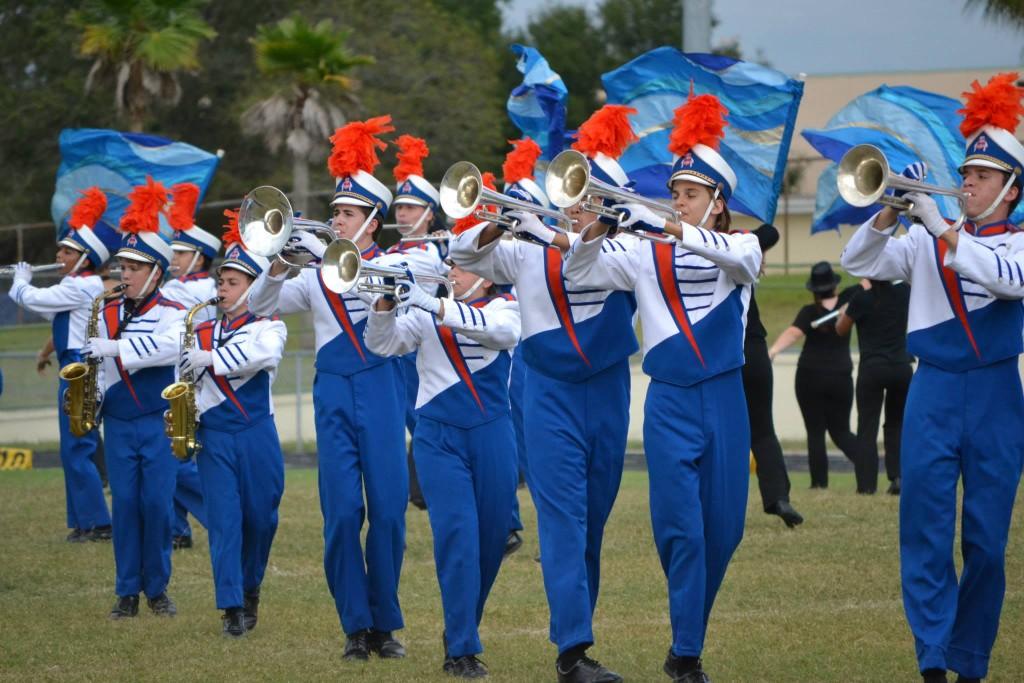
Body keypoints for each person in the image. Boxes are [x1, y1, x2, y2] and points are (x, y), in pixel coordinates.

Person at [562, 93, 761, 683]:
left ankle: (687, 639)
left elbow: (741, 261)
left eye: (691, 194)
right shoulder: (642, 253)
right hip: (669, 402)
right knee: (681, 530)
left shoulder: (740, 245)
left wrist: (674, 227)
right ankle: (687, 653)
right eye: (675, 193)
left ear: (718, 203)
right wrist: (599, 227)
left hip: (726, 400)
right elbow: (578, 270)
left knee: (724, 531)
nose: (678, 201)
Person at [840, 72, 1024, 683]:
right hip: (935, 389)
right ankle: (935, 659)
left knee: (987, 541)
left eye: (982, 178)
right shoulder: (923, 239)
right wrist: (893, 212)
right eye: (966, 175)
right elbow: (858, 262)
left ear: (1011, 189)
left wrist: (941, 225)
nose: (968, 185)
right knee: (924, 525)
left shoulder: (1017, 241)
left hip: (997, 392)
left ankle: (970, 656)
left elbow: (1002, 278)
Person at [449, 105, 641, 683]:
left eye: (589, 197)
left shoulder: (626, 251)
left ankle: (575, 635)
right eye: (574, 194)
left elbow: (586, 265)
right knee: (562, 519)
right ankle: (573, 651)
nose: (577, 205)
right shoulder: (524, 247)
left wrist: (568, 231)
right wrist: (500, 222)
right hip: (549, 393)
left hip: (607, 389)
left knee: (594, 520)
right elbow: (462, 256)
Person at [247, 116, 409, 661]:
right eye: (336, 212)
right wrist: (277, 263)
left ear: (372, 221)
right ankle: (356, 626)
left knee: (387, 510)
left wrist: (338, 261)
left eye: (347, 213)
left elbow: (383, 301)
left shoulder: (396, 264)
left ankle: (386, 624)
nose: (336, 220)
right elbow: (259, 307)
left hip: (382, 388)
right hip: (334, 392)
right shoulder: (313, 274)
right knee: (341, 512)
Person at [365, 259, 520, 678]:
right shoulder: (426, 311)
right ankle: (462, 647)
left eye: (464, 267)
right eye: (451, 263)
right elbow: (383, 345)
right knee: (458, 538)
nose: (452, 271)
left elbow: (499, 333)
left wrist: (431, 305)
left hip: (493, 434)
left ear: (486, 276)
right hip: (437, 436)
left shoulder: (506, 305)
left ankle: (460, 629)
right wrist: (382, 304)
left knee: (490, 542)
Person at [82, 177, 187, 619]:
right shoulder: (104, 310)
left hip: (158, 419)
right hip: (120, 420)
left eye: (132, 268)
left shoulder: (173, 312)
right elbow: (98, 365)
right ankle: (127, 591)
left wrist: (117, 348)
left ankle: (157, 588)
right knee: (124, 505)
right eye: (121, 267)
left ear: (155, 272)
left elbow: (170, 347)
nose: (122, 274)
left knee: (157, 505)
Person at [180, 216, 286, 638]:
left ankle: (250, 588)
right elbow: (183, 376)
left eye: (233, 282)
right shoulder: (200, 328)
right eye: (221, 281)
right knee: (224, 521)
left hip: (257, 433)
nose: (222, 289)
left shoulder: (269, 326)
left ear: (254, 288)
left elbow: (262, 357)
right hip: (214, 435)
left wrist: (213, 360)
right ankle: (231, 606)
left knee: (261, 519)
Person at [6, 187, 119, 542]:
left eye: (66, 251)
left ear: (84, 257)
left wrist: (21, 281)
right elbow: (45, 308)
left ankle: (97, 523)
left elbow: (35, 298)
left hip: (80, 371)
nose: (59, 255)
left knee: (78, 447)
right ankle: (84, 521)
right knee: (72, 449)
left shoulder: (83, 285)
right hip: (72, 368)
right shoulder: (76, 284)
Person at [387, 134, 447, 511]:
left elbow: (391, 271)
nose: (403, 214)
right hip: (397, 348)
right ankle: (424, 491)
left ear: (430, 213)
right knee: (418, 429)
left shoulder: (430, 252)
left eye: (412, 208)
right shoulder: (395, 250)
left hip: (421, 351)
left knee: (430, 426)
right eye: (400, 208)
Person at [161, 182, 221, 550]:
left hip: (193, 379)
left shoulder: (191, 289)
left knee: (179, 460)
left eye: (180, 254)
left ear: (199, 258)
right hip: (182, 377)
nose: (173, 259)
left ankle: (220, 517)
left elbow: (161, 296)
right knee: (173, 451)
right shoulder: (188, 286)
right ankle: (175, 528)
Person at [767, 261, 860, 489]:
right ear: (834, 286)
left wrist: (774, 350)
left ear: (814, 290)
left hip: (810, 376)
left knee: (815, 432)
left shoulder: (810, 311)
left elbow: (792, 333)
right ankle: (867, 466)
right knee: (841, 431)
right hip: (840, 376)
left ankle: (819, 484)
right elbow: (866, 284)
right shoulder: (849, 301)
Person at [500, 136, 549, 557]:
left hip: (536, 361)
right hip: (508, 363)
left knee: (540, 453)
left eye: (516, 214)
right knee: (509, 444)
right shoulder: (506, 254)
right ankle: (507, 525)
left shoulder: (547, 253)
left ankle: (551, 531)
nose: (509, 221)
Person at [742, 223, 804, 527]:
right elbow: (770, 233)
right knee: (763, 430)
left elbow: (770, 232)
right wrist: (754, 249)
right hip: (753, 348)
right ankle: (778, 496)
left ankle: (716, 500)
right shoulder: (738, 246)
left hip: (724, 353)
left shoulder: (720, 243)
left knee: (721, 431)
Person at [835, 278, 912, 495]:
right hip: (900, 365)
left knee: (867, 427)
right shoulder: (904, 293)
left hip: (872, 367)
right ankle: (897, 476)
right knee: (896, 424)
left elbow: (841, 329)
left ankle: (867, 484)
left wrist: (844, 312)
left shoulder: (861, 298)